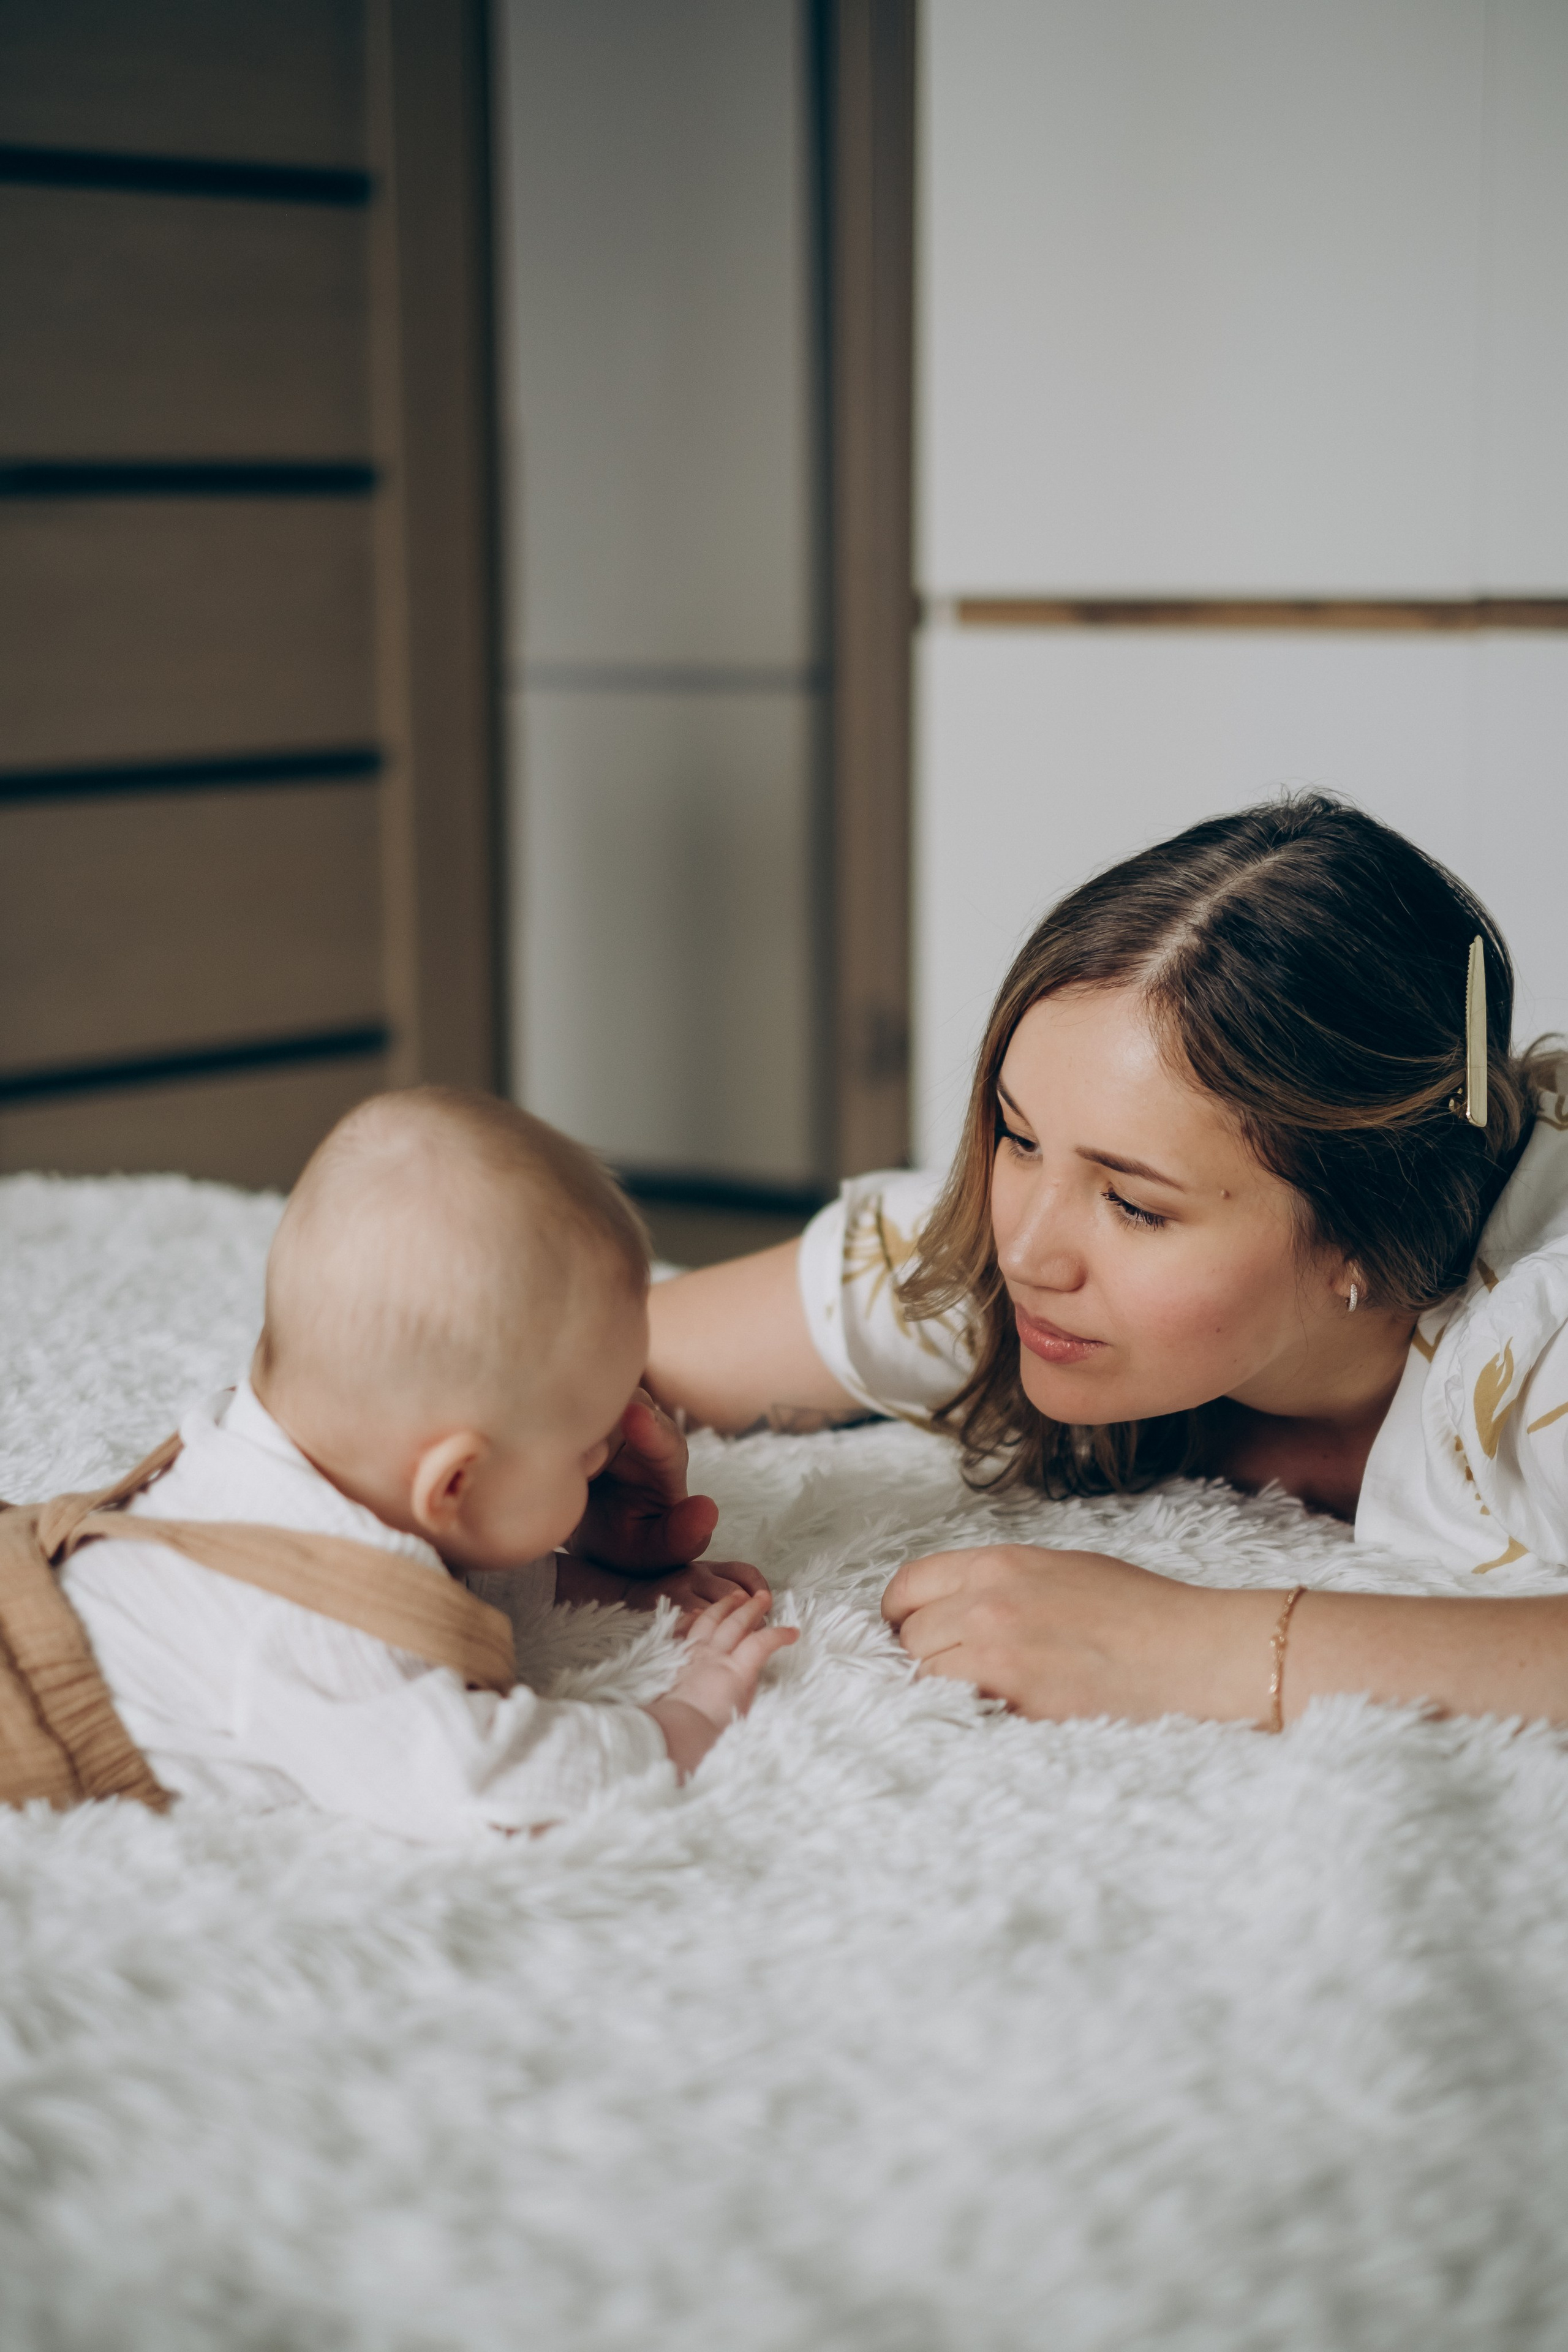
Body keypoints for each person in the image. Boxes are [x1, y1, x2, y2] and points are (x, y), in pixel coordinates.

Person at [647, 794, 1568, 1732]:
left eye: (1134, 1205)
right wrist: (574, 1475)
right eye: (1017, 1135)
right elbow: (594, 1353)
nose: (1027, 1250)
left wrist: (1196, 1648)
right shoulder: (1015, 1240)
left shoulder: (1543, 1332)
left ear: (1371, 1229)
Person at [41, 1089, 794, 1838]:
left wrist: (607, 1585)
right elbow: (485, 1783)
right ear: (454, 1482)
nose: (610, 1455)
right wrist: (683, 1717)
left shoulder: (283, 1452)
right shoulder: (308, 1630)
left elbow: (424, 1556)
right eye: (585, 1448)